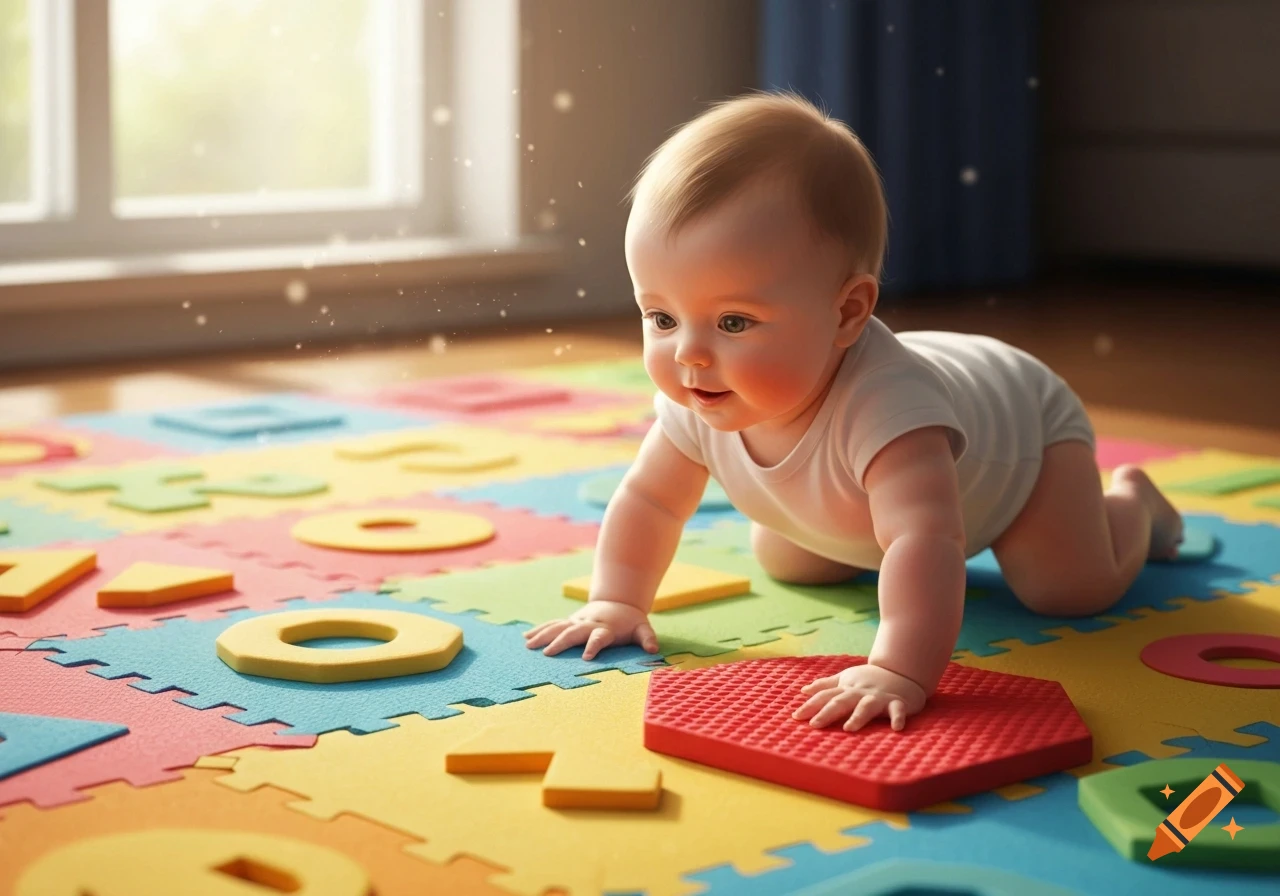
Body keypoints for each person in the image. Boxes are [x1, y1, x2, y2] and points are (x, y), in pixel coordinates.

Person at [523, 91, 1184, 733]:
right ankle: (830, 526)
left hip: (1025, 438)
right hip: (852, 504)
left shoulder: (890, 411)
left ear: (847, 312)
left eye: (733, 322)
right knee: (791, 561)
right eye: (662, 318)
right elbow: (650, 501)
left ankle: (1133, 505)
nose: (689, 355)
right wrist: (616, 600)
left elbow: (926, 540)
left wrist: (899, 669)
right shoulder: (703, 392)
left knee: (1066, 588)